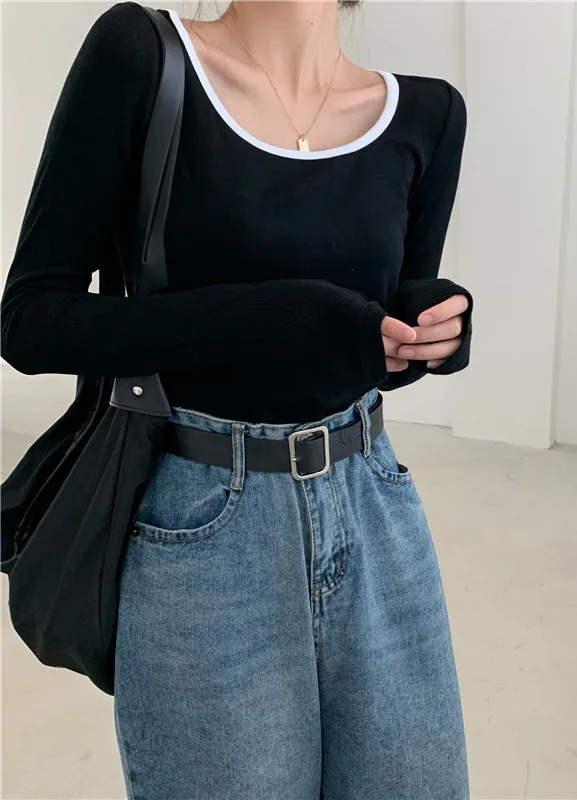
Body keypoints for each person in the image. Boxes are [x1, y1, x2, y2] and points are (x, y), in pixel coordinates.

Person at [1, 1, 471, 797]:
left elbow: (377, 347)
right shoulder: (143, 57)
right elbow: (32, 322)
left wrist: (431, 334)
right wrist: (273, 317)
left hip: (375, 509)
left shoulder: (429, 114)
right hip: (202, 523)